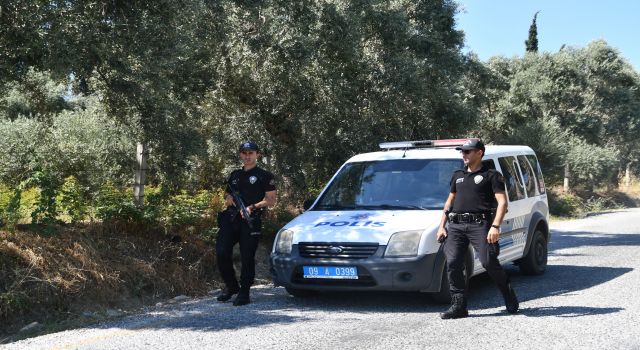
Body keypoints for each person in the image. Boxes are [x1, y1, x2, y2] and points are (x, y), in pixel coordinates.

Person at [436, 139, 519, 319]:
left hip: (480, 224)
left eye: (467, 151)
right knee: (453, 263)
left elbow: (502, 203)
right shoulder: (457, 175)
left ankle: (508, 292)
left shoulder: (492, 175)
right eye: (462, 152)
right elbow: (449, 201)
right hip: (456, 225)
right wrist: (442, 226)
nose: (463, 155)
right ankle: (459, 306)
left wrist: (495, 226)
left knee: (488, 261)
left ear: (479, 153)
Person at [216, 141, 277, 306]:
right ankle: (231, 286)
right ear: (240, 154)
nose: (247, 156)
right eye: (244, 153)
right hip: (231, 219)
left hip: (251, 220)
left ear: (257, 155)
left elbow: (270, 200)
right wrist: (228, 198)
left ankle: (244, 292)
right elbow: (228, 194)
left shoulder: (265, 176)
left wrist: (252, 207)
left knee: (247, 256)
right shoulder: (235, 174)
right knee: (221, 252)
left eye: (251, 153)